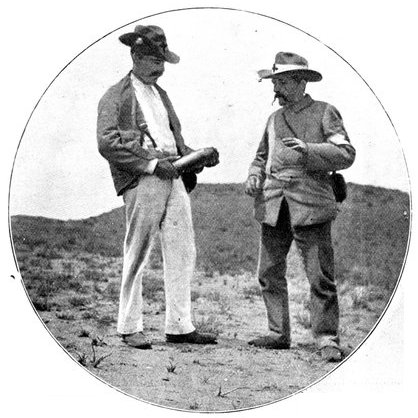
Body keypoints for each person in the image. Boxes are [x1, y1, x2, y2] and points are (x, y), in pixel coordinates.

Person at [97, 25, 218, 349]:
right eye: (154, 60)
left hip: (173, 174)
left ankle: (179, 326)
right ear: (135, 55)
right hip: (143, 177)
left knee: (183, 250)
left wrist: (195, 156)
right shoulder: (115, 95)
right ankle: (129, 326)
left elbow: (172, 142)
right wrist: (151, 165)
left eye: (162, 61)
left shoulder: (161, 95)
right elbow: (107, 143)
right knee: (138, 250)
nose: (160, 67)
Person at [245, 52, 356, 362]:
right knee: (268, 272)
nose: (275, 89)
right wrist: (254, 175)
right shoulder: (273, 119)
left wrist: (309, 149)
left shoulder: (324, 112)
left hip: (310, 203)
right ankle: (277, 333)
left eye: (281, 82)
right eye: (274, 82)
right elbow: (260, 157)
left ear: (301, 82)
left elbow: (346, 153)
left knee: (320, 276)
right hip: (273, 204)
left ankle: (326, 338)